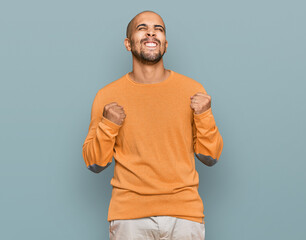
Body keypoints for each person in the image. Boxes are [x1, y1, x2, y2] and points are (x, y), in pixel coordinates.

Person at [82, 10, 224, 240]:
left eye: (158, 29)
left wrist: (205, 115)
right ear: (128, 44)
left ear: (165, 44)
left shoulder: (192, 90)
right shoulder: (107, 96)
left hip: (185, 215)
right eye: (142, 28)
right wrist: (108, 125)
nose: (151, 32)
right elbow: (94, 163)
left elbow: (210, 158)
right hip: (129, 216)